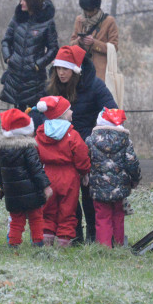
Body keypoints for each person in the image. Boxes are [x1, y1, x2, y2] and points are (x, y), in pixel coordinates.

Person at [47, 44, 116, 243]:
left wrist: (93, 136)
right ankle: (73, 235)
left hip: (87, 148)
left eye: (65, 69)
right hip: (60, 149)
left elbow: (112, 111)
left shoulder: (95, 85)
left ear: (75, 70)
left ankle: (93, 235)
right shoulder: (52, 87)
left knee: (89, 194)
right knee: (66, 196)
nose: (61, 73)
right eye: (58, 69)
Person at [34, 95, 90, 247]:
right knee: (68, 209)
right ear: (63, 114)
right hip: (68, 176)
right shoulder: (72, 134)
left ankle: (46, 239)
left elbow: (35, 153)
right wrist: (84, 172)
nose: (72, 112)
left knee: (48, 209)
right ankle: (64, 240)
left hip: (47, 175)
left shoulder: (40, 133)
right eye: (69, 109)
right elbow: (81, 154)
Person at [0, 108, 52, 247]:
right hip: (31, 191)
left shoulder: (1, 149)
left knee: (16, 219)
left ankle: (14, 244)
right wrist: (45, 186)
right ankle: (38, 242)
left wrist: (2, 188)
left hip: (12, 192)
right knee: (36, 217)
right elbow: (36, 169)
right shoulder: (28, 147)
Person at [85, 108, 140, 248]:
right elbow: (131, 161)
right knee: (118, 216)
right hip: (119, 188)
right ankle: (119, 245)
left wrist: (85, 175)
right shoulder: (125, 140)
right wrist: (135, 179)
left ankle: (104, 247)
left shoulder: (91, 140)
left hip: (98, 187)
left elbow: (85, 161)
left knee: (102, 217)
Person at [0, 0, 58, 109]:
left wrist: (37, 65)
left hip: (34, 80)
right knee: (17, 119)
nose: (21, 3)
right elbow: (6, 41)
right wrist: (9, 58)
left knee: (34, 116)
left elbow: (53, 48)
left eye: (24, 0)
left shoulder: (47, 22)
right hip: (15, 77)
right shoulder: (17, 18)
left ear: (32, 1)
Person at [70, 0, 119, 81]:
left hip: (101, 73)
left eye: (90, 10)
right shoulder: (79, 20)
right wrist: (79, 41)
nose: (88, 14)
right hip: (81, 70)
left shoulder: (109, 21)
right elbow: (71, 44)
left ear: (96, 8)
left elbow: (114, 48)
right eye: (85, 10)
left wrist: (94, 43)